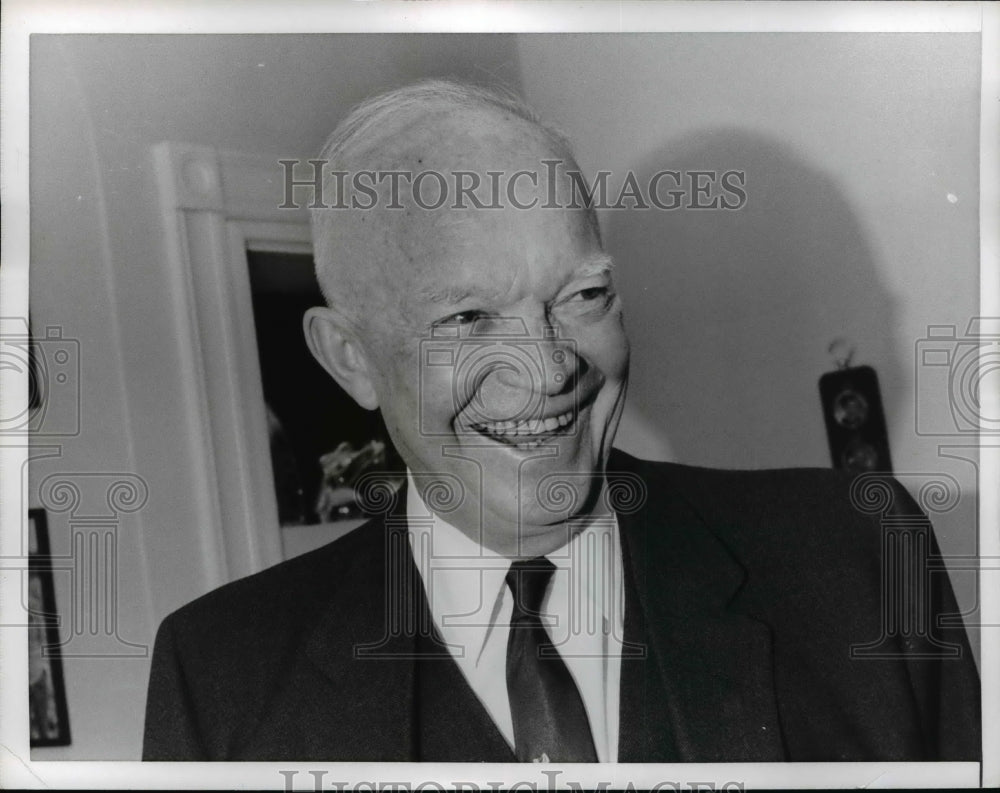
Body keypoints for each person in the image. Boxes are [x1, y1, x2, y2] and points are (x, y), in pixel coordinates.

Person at [143, 80, 980, 762]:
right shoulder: (223, 680)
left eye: (582, 295)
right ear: (350, 357)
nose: (549, 371)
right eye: (469, 317)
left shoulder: (860, 558)